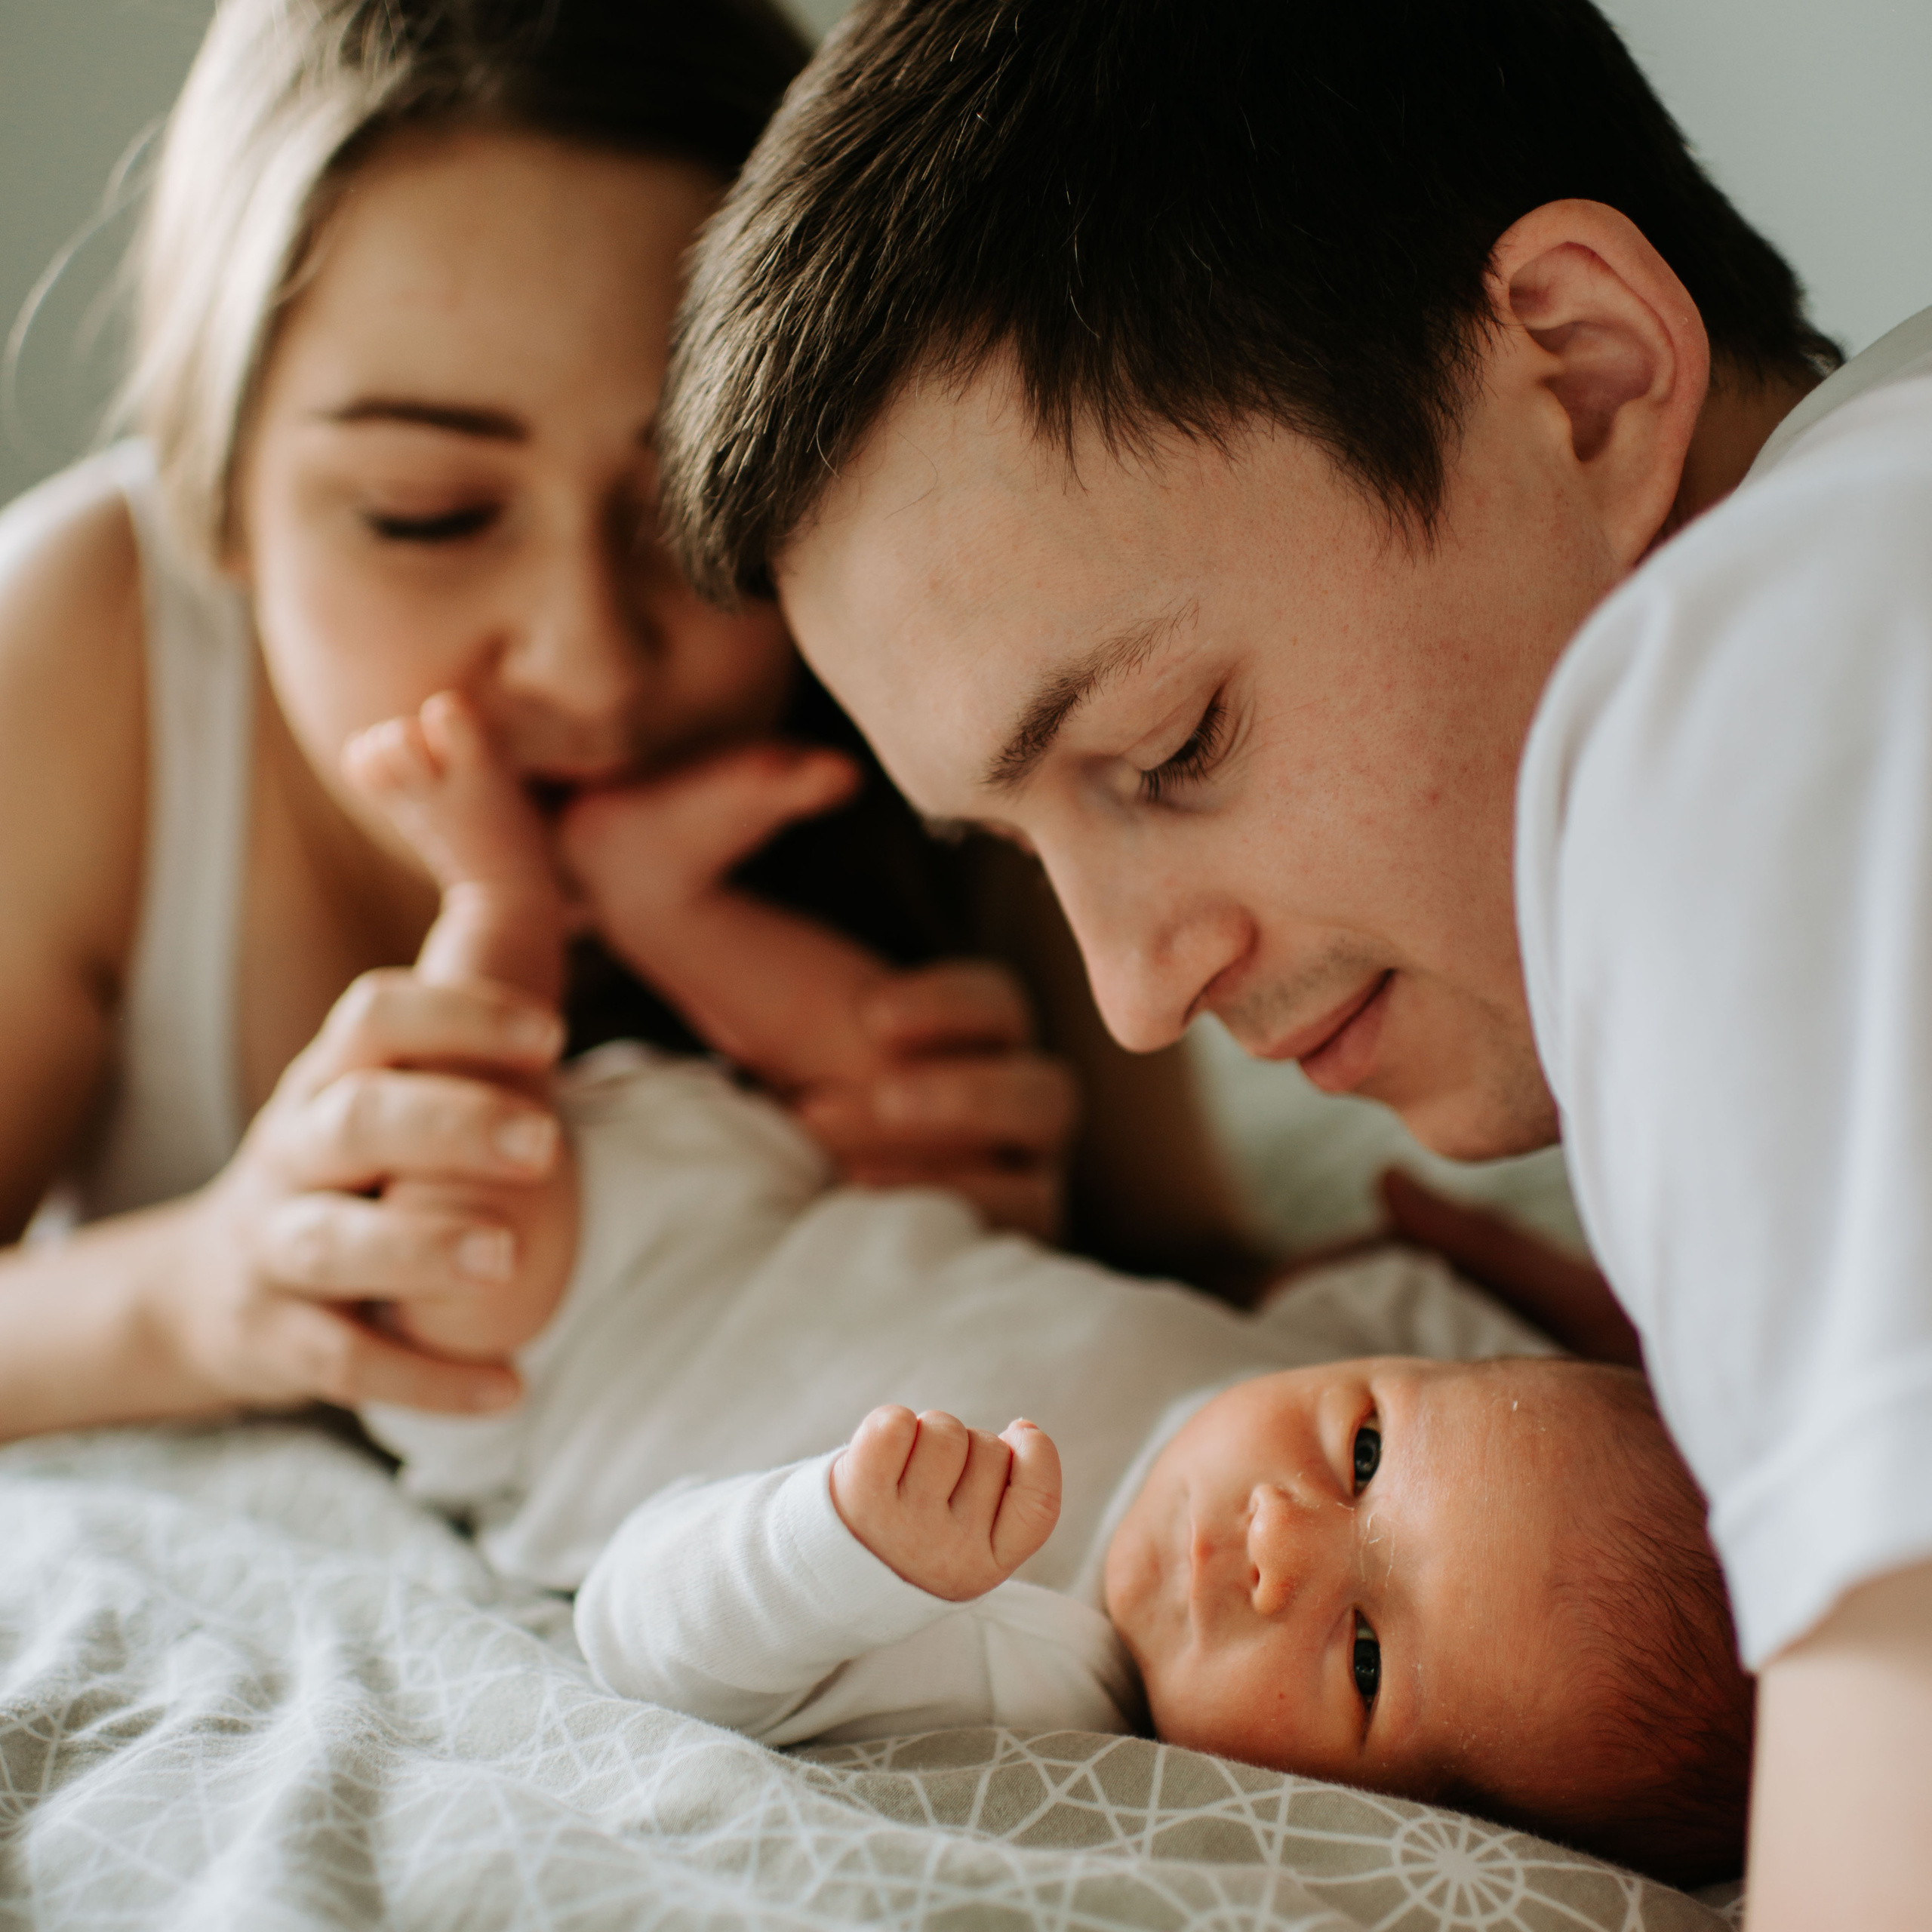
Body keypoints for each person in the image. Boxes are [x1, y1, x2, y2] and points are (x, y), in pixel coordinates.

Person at [649, 0, 1932, 1919]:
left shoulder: (1755, 687)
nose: (1135, 994)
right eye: (1019, 848)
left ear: (1576, 378)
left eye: (1172, 747)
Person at [0, 0, 1266, 1443]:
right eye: (432, 516)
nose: (591, 660)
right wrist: (204, 1287)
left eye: (693, 512)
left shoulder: (925, 640)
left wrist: (996, 1257)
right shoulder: (83, 645)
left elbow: (1213, 1292)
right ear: (213, 500)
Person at [345, 699, 1752, 1889]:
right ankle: (655, 907)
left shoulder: (1035, 1664)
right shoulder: (1360, 1368)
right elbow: (1483, 1381)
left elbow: (645, 1634)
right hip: (801, 1180)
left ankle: (506, 902)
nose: (1282, 1535)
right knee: (897, 1061)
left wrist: (836, 1544)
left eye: (1366, 1661)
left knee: (448, 1184)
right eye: (1367, 1454)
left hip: (553, 1355)